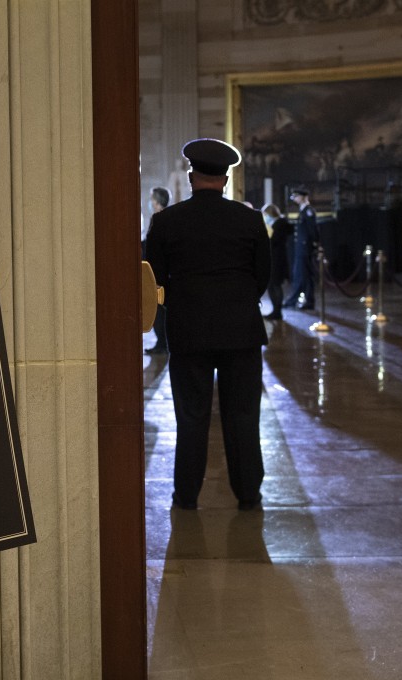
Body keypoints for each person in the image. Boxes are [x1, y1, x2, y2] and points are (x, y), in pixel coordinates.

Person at [144, 138, 271, 511]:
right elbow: (262, 275)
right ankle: (248, 494)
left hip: (189, 332)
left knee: (191, 417)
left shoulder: (165, 221)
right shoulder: (250, 219)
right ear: (227, 179)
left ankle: (186, 496)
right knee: (244, 416)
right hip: (241, 332)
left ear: (190, 175)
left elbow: (155, 280)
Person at [144, 186, 171, 353]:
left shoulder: (159, 218)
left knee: (158, 309)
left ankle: (162, 341)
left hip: (158, 270)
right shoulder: (166, 217)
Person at [281, 187, 317, 310]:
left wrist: (314, 245)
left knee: (301, 274)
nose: (295, 199)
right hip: (302, 247)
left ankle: (296, 300)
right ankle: (308, 300)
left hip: (305, 248)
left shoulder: (308, 211)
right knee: (304, 275)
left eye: (296, 196)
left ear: (303, 197)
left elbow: (313, 231)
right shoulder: (303, 211)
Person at [261, 203, 293, 320]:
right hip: (275, 258)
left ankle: (277, 311)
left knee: (275, 285)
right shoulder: (277, 224)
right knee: (273, 285)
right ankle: (276, 310)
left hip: (277, 259)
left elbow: (273, 241)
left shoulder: (279, 224)